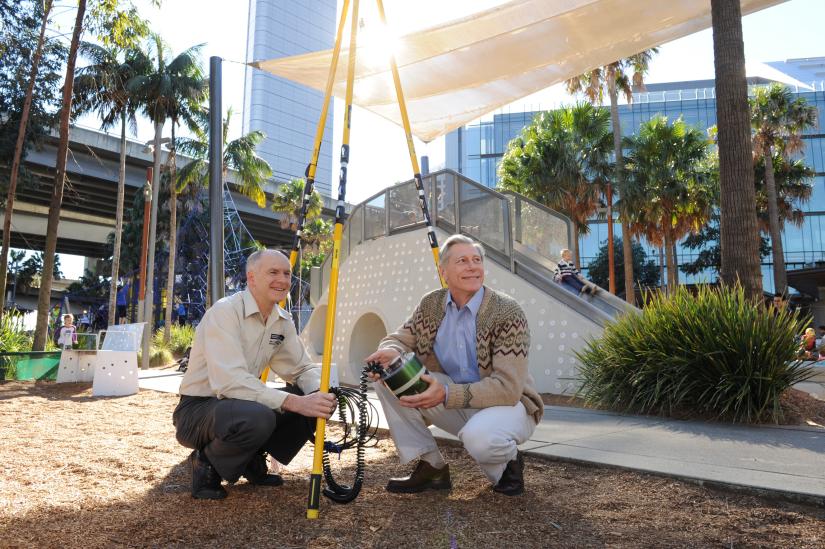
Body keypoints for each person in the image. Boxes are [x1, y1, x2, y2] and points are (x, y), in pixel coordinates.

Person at [365, 235, 543, 497]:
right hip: (458, 400)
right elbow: (399, 338)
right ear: (443, 271)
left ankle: (510, 463)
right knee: (388, 378)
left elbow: (508, 388)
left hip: (509, 404)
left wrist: (447, 394)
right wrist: (389, 351)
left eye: (477, 260)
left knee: (479, 440)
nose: (472, 266)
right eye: (462, 261)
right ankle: (432, 466)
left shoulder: (507, 312)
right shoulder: (431, 305)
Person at [173, 249, 336, 500]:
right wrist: (297, 403)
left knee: (312, 397)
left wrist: (320, 394)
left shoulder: (282, 320)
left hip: (240, 406)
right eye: (273, 272)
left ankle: (249, 459)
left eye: (286, 273)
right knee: (260, 415)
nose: (282, 280)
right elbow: (229, 382)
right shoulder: (225, 312)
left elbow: (301, 369)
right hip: (198, 410)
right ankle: (206, 464)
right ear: (251, 278)